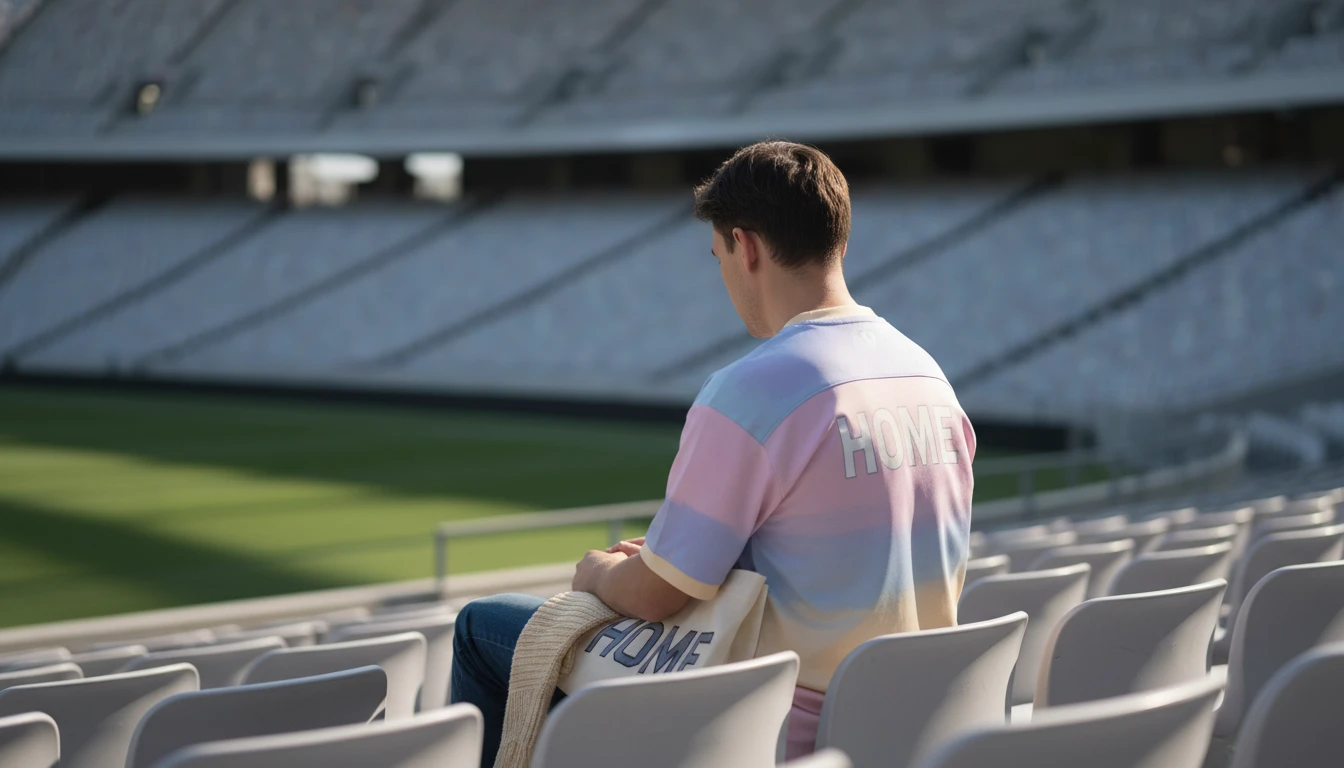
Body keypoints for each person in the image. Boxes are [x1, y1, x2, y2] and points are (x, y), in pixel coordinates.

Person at [451, 140, 975, 764]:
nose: (723, 273)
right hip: (907, 719)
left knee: (481, 626)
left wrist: (598, 572)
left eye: (718, 254)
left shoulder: (755, 387)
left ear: (745, 246)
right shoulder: (927, 375)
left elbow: (654, 597)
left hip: (774, 723)